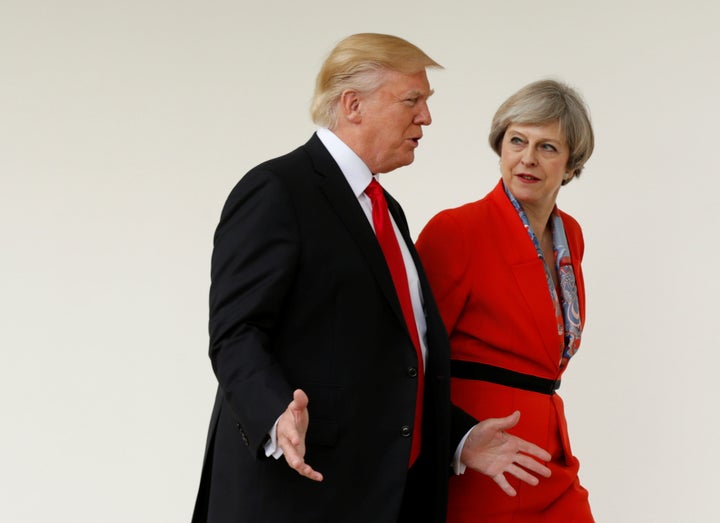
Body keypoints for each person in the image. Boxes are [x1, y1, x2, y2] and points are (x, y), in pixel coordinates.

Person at [192, 34, 553, 523]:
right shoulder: (277, 190)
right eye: (412, 100)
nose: (425, 117)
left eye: (426, 102)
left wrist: (460, 438)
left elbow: (394, 362)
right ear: (353, 105)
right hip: (298, 495)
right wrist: (276, 413)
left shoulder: (388, 211)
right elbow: (235, 333)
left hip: (382, 495)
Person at [416, 79, 596, 522]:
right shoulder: (457, 231)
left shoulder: (569, 235)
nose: (528, 158)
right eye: (517, 141)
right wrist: (460, 440)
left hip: (552, 455)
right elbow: (414, 356)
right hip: (487, 458)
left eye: (547, 147)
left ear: (571, 165)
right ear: (500, 147)